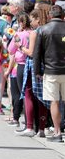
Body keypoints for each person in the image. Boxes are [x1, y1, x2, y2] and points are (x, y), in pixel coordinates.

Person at [14, 8, 50, 138]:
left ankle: (29, 126)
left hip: (34, 66)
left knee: (28, 94)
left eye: (32, 19)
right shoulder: (48, 30)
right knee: (43, 97)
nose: (30, 21)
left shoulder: (35, 33)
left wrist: (20, 46)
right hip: (47, 66)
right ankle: (41, 128)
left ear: (38, 19)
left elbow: (31, 53)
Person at [33, 5, 65, 143]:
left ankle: (57, 132)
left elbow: (37, 54)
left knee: (54, 102)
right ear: (63, 16)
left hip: (51, 71)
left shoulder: (43, 30)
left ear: (50, 16)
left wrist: (37, 72)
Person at [6, 13, 31, 127]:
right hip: (31, 65)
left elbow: (10, 49)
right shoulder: (33, 33)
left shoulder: (18, 35)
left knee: (18, 93)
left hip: (20, 66)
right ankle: (31, 121)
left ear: (21, 23)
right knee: (29, 94)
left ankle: (18, 119)